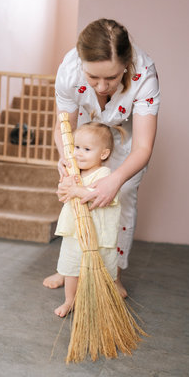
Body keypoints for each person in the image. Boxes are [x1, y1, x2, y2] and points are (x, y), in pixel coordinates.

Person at [43, 18, 160, 297]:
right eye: (93, 77)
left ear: (127, 66)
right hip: (85, 131)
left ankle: (113, 273)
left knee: (124, 196)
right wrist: (66, 157)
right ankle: (69, 268)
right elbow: (63, 126)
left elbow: (143, 147)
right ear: (82, 64)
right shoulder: (69, 71)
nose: (102, 86)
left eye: (112, 77)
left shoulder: (145, 73)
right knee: (76, 194)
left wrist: (116, 180)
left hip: (125, 138)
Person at [54, 122, 122, 317]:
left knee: (102, 268)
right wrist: (65, 189)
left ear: (103, 154)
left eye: (86, 149)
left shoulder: (104, 174)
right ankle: (69, 300)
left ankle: (103, 299)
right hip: (75, 233)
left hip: (98, 235)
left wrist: (78, 190)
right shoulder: (74, 174)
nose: (79, 153)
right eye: (76, 147)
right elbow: (65, 196)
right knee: (71, 268)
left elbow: (100, 196)